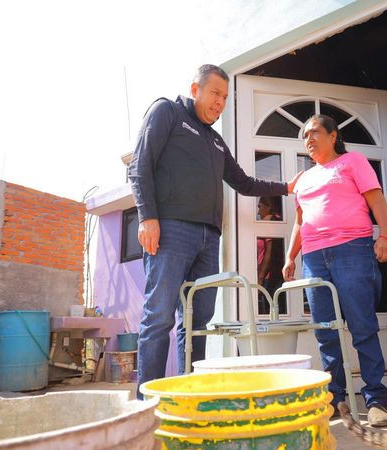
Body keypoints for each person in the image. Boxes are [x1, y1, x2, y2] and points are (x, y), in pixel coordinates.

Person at [128, 64, 302, 398]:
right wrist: (147, 217)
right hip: (170, 230)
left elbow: (244, 183)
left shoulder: (216, 141)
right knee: (159, 316)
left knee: (198, 320)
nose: (220, 102)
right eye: (215, 94)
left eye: (225, 97)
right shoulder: (167, 112)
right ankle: (146, 402)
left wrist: (286, 187)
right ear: (195, 89)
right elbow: (140, 165)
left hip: (208, 240)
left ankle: (189, 394)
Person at [282, 114, 387, 427]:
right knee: (325, 331)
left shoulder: (353, 162)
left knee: (362, 325)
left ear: (333, 136)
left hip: (352, 250)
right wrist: (290, 257)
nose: (308, 139)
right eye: (305, 136)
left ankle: (376, 400)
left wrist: (386, 236)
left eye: (315, 132)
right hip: (314, 257)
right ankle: (336, 399)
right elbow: (300, 222)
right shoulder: (304, 179)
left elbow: (377, 200)